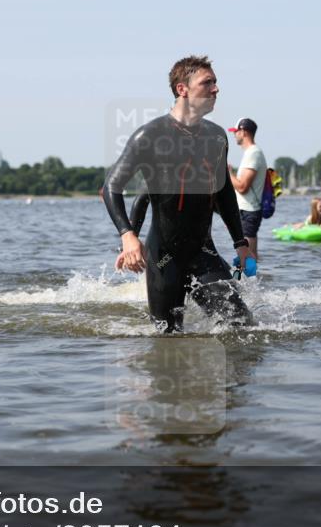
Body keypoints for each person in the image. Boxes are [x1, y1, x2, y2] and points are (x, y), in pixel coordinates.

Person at [104, 55, 255, 333]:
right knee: (168, 335)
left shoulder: (216, 137)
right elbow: (112, 187)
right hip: (164, 257)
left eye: (215, 82)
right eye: (207, 82)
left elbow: (223, 193)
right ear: (182, 89)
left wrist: (240, 242)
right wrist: (128, 236)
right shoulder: (150, 136)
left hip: (203, 252)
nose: (216, 88)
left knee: (242, 327)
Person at [226, 118, 267, 261]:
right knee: (249, 256)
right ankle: (253, 275)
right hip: (246, 210)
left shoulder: (253, 153)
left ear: (243, 132)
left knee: (249, 256)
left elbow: (242, 187)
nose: (234, 134)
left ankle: (252, 276)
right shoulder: (250, 153)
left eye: (236, 131)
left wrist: (227, 173)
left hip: (249, 211)